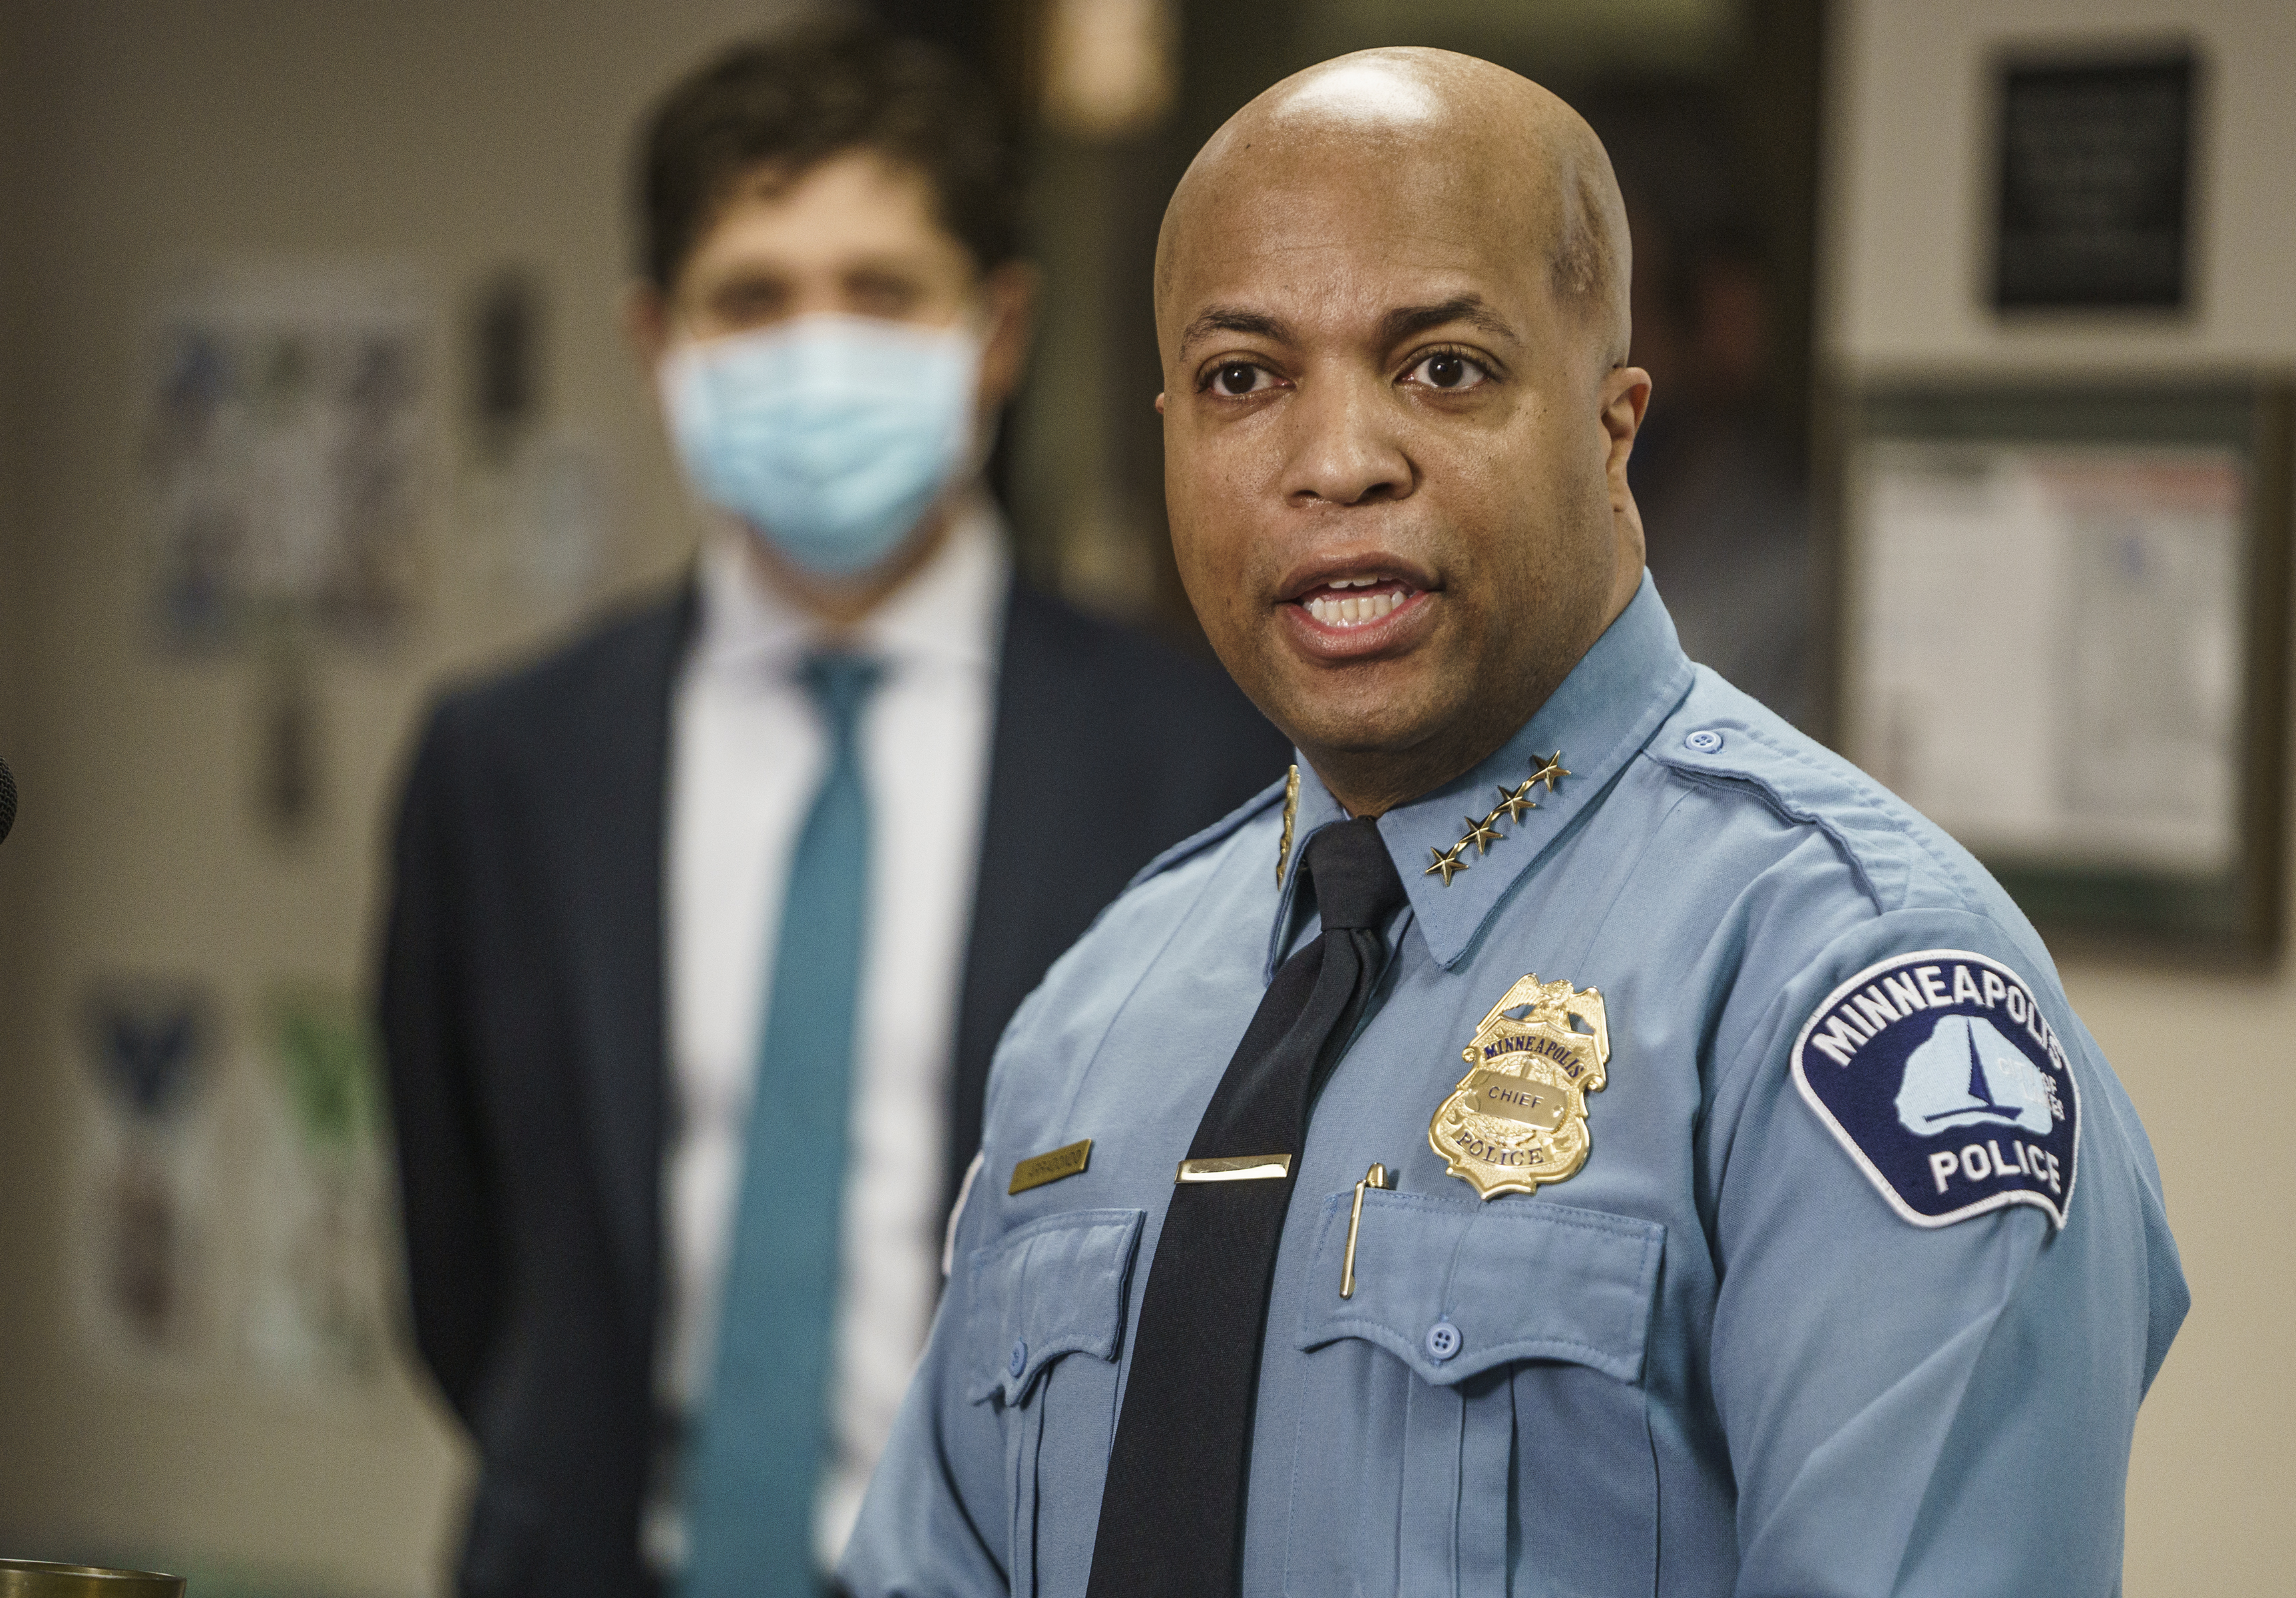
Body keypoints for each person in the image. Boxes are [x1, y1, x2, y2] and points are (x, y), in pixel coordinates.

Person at [841, 47, 2187, 1598]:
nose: (1337, 461)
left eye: (1444, 369)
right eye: (1242, 379)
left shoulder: (1849, 987)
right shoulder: (1098, 1009)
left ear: (1615, 428)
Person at [377, 21, 1286, 1598]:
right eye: (752, 298)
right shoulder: (505, 765)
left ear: (997, 331)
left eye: (879, 293)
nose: (818, 346)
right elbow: (461, 1275)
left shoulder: (1204, 763)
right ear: (658, 340)